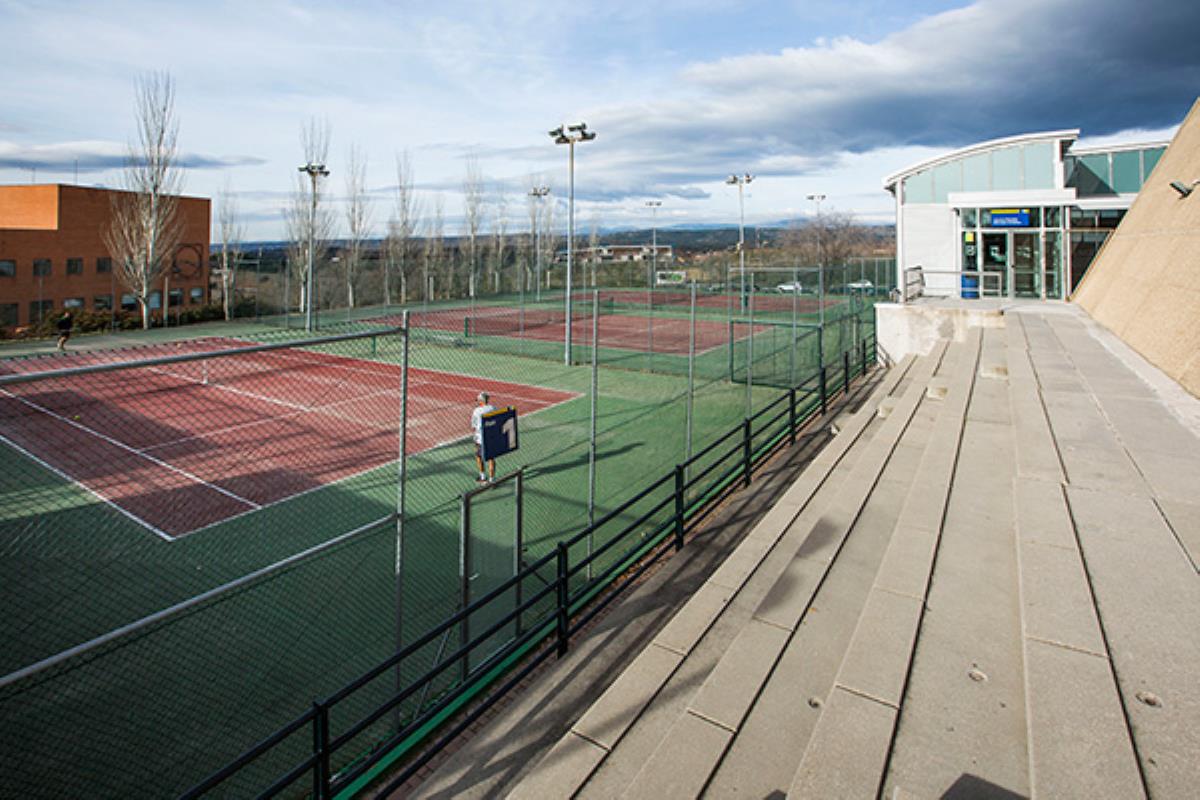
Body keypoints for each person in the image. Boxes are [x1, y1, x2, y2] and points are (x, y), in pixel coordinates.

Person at [471, 391, 496, 484]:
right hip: (491, 437)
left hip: (480, 438)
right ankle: (492, 479)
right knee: (491, 458)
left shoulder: (476, 411)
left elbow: (473, 426)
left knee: (478, 456)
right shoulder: (493, 408)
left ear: (481, 401)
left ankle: (483, 476)